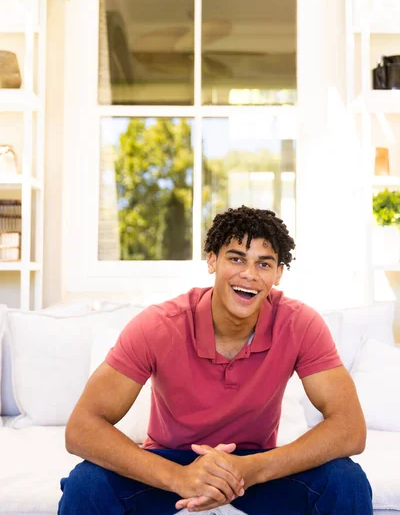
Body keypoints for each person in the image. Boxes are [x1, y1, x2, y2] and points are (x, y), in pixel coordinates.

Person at [58, 206, 372, 515]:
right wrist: (179, 478)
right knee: (87, 483)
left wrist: (250, 469)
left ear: (278, 273)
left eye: (263, 264)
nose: (248, 274)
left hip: (254, 465)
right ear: (212, 260)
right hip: (170, 463)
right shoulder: (159, 325)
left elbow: (350, 428)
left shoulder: (299, 323)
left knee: (345, 480)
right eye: (236, 259)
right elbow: (81, 428)